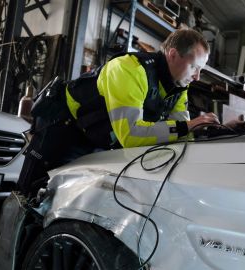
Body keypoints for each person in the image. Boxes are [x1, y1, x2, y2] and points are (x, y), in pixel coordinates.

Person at [17, 28, 220, 196]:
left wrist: (212, 131)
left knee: (76, 202)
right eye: (194, 66)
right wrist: (188, 126)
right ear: (173, 54)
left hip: (98, 138)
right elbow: (131, 135)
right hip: (62, 129)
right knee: (33, 197)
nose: (197, 77)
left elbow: (182, 134)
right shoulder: (130, 69)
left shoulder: (178, 87)